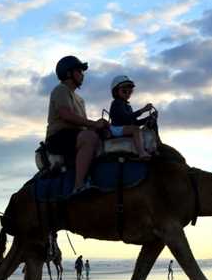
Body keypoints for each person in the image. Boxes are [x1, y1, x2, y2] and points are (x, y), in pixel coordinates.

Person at [45, 56, 108, 195]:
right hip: (59, 137)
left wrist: (100, 126)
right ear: (68, 74)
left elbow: (82, 124)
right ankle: (78, 186)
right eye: (79, 71)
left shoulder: (80, 99)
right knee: (89, 137)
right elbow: (66, 115)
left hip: (75, 135)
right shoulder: (61, 89)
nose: (82, 75)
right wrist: (93, 124)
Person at [108, 75, 153, 160]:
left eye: (130, 91)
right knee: (135, 129)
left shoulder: (127, 105)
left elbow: (134, 122)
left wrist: (148, 118)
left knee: (137, 129)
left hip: (124, 127)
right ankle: (141, 153)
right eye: (124, 91)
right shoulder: (117, 103)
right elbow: (126, 118)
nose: (128, 94)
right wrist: (143, 110)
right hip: (116, 128)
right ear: (116, 91)